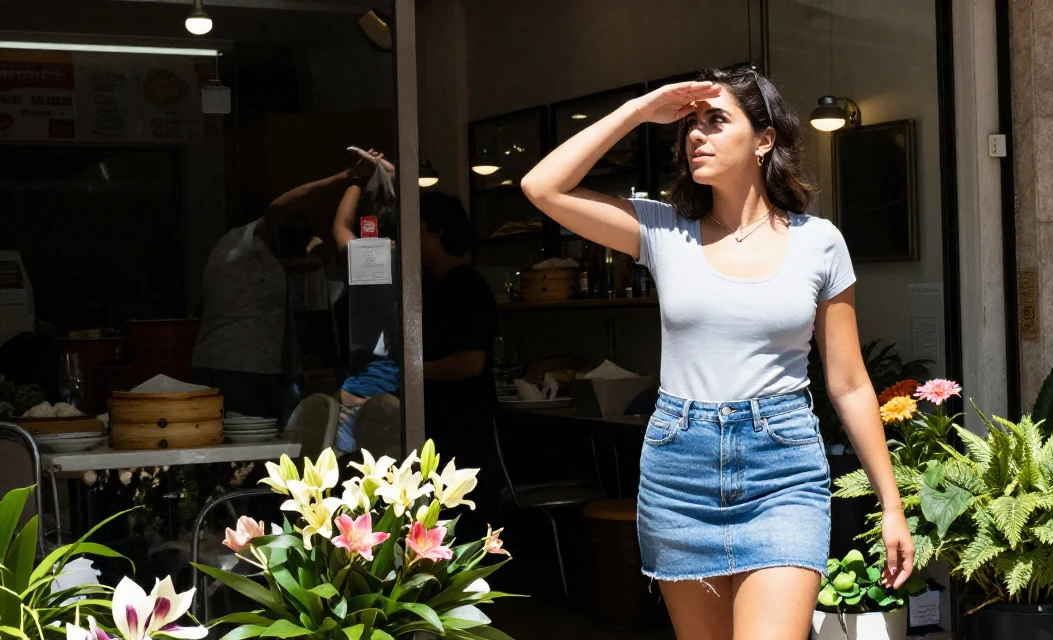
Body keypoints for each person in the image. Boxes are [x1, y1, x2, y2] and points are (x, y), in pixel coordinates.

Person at [521, 66, 914, 639]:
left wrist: (891, 503)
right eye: (691, 125)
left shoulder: (819, 242)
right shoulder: (663, 231)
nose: (696, 135)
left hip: (782, 471)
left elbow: (849, 383)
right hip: (680, 470)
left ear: (764, 139)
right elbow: (542, 188)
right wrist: (640, 110)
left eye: (716, 120)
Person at [333, 164, 498, 474]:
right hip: (436, 425)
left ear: (437, 231)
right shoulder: (422, 282)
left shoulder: (466, 285)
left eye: (415, 226)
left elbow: (470, 363)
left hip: (459, 428)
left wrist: (406, 371)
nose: (407, 235)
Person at [192, 159, 375, 418]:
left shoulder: (248, 258)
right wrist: (351, 176)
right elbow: (287, 204)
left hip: (238, 364)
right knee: (250, 435)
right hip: (239, 366)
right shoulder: (244, 240)